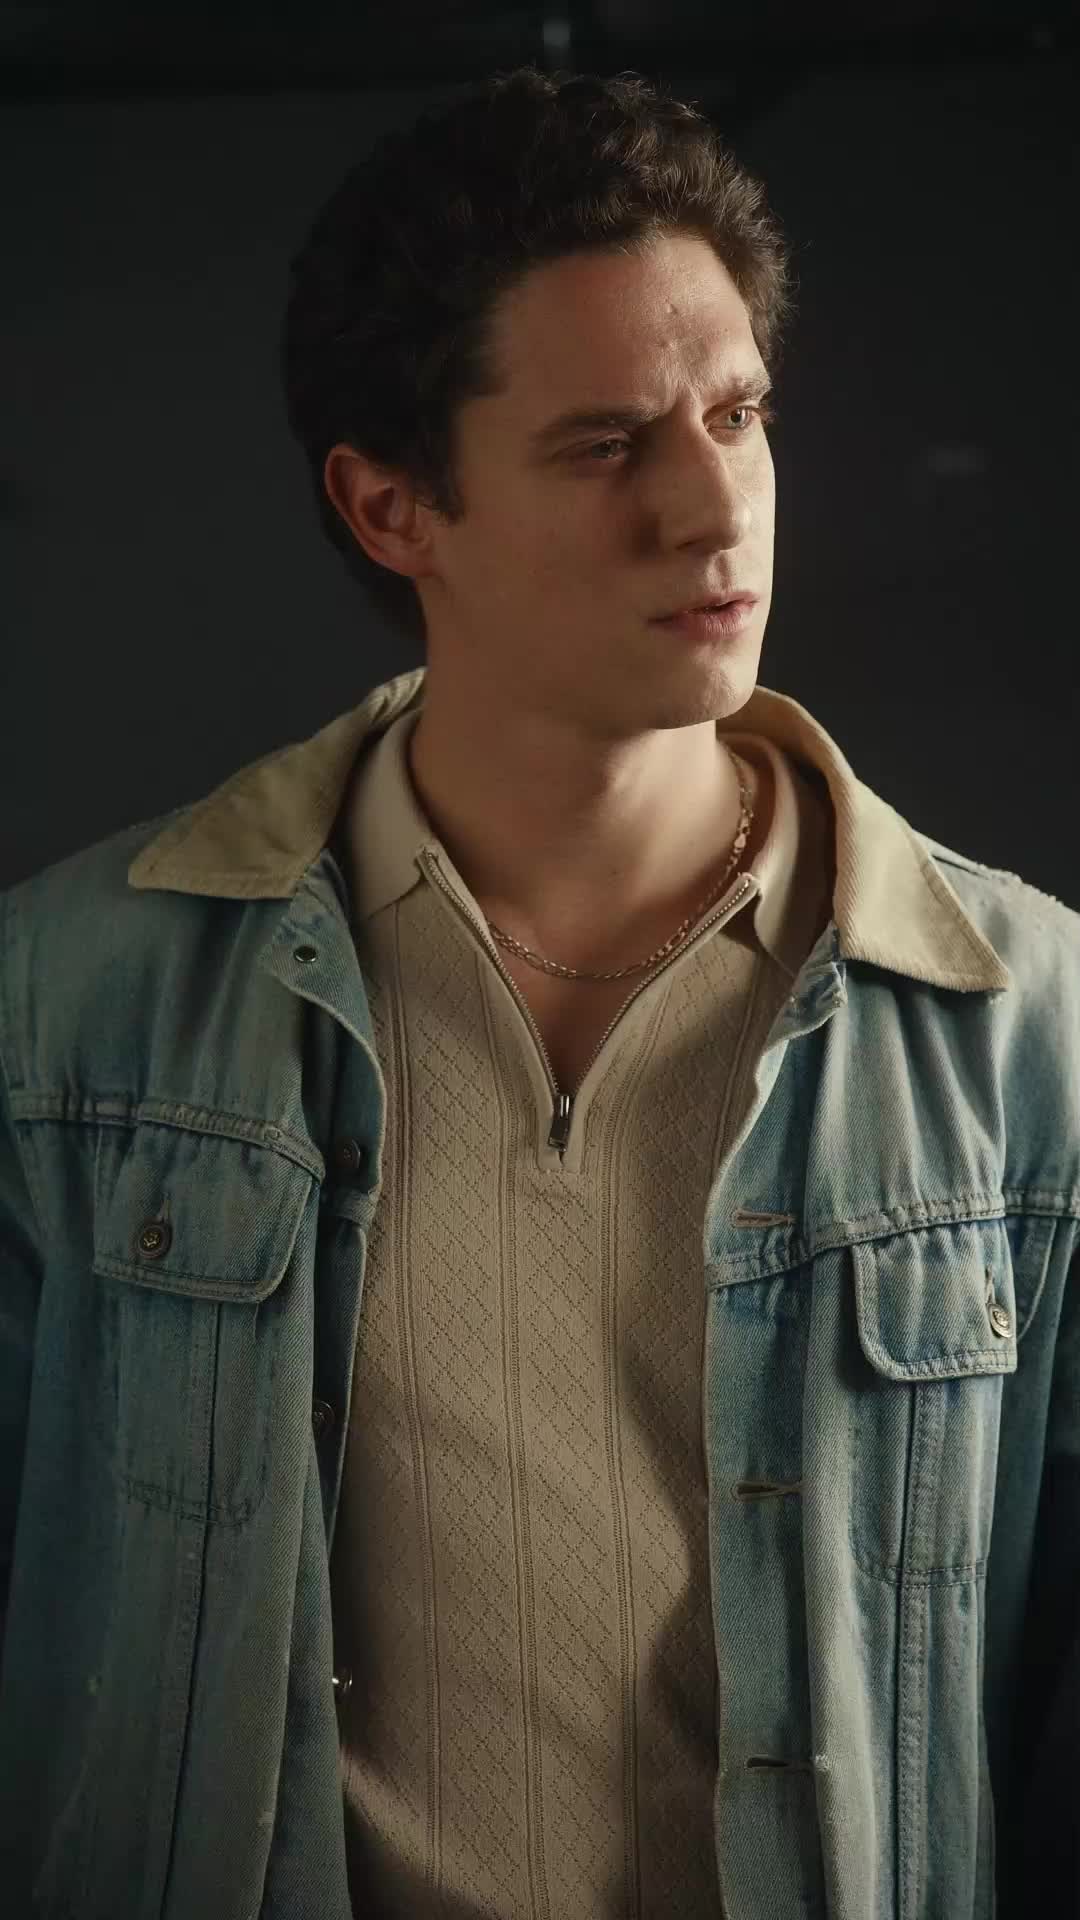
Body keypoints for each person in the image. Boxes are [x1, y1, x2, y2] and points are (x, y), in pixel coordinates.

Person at [0, 64, 1076, 1920]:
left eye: (738, 414)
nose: (713, 507)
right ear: (391, 505)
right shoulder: (73, 1008)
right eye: (605, 446)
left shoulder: (1026, 1026)